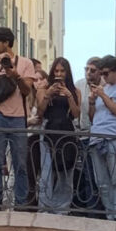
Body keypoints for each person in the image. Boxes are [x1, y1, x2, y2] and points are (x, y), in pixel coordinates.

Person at [0, 26, 36, 208]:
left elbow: (27, 91)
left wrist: (15, 74)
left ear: (6, 43)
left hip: (18, 117)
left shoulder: (25, 63)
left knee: (20, 164)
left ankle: (20, 204)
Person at [88, 51, 116, 223]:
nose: (103, 77)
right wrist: (92, 101)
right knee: (102, 183)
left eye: (106, 73)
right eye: (101, 74)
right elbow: (92, 117)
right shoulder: (103, 90)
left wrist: (103, 96)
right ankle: (110, 215)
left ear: (115, 71)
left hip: (114, 139)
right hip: (96, 139)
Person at [38, 58, 81, 213]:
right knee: (47, 170)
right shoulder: (44, 88)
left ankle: (62, 208)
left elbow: (76, 114)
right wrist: (48, 95)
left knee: (66, 169)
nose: (59, 74)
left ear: (67, 72)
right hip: (49, 129)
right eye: (56, 71)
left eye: (62, 71)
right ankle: (45, 207)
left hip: (67, 131)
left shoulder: (75, 91)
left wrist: (69, 95)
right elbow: (40, 111)